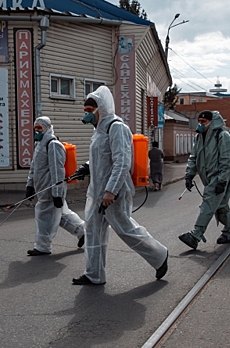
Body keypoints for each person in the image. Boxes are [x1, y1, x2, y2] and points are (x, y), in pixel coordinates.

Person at [71, 86, 168, 285]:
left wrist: (110, 191)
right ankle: (94, 274)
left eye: (90, 110)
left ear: (101, 108)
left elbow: (122, 162)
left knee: (126, 230)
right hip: (96, 193)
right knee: (92, 233)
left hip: (113, 193)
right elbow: (102, 159)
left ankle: (160, 256)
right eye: (85, 110)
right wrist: (86, 167)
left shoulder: (117, 127)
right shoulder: (98, 131)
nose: (87, 113)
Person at [178, 110, 230, 250]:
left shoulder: (222, 136)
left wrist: (222, 180)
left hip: (218, 177)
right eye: (199, 121)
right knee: (221, 205)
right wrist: (189, 175)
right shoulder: (199, 137)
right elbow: (193, 157)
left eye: (203, 122)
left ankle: (196, 235)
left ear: (212, 122)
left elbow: (228, 160)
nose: (200, 124)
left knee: (208, 203)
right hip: (208, 178)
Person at [25, 116, 85, 256]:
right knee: (62, 215)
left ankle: (42, 246)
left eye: (40, 128)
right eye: (35, 128)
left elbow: (58, 171)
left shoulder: (53, 144)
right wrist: (30, 185)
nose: (37, 131)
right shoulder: (39, 144)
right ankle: (84, 232)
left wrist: (57, 193)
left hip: (50, 190)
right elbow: (34, 167)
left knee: (44, 217)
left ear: (47, 128)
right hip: (42, 189)